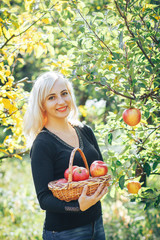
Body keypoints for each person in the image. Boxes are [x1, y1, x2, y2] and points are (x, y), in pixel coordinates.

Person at [23, 71, 108, 240]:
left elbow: (98, 173)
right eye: (51, 97)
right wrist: (78, 206)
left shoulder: (85, 131)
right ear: (42, 104)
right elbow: (44, 199)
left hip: (96, 223)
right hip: (65, 232)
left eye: (64, 93)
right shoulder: (42, 143)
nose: (61, 101)